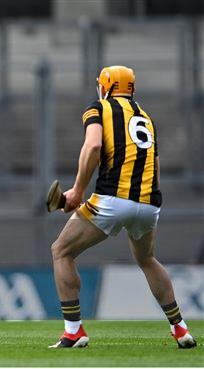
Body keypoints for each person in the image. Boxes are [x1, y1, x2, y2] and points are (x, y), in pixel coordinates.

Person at [49, 65, 197, 349]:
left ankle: (73, 331)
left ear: (105, 86)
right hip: (149, 203)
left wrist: (78, 190)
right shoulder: (145, 116)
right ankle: (180, 328)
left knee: (61, 251)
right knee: (147, 260)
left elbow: (92, 146)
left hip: (112, 199)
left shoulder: (99, 107)